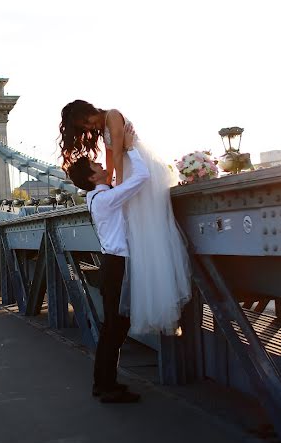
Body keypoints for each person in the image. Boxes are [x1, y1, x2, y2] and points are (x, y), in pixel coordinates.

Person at [59, 100, 191, 335]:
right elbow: (112, 160)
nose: (88, 127)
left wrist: (115, 186)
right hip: (132, 172)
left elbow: (119, 154)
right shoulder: (102, 128)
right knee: (141, 234)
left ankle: (162, 306)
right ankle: (157, 305)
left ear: (89, 111)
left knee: (148, 229)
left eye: (86, 121)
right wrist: (111, 186)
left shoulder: (112, 115)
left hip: (142, 171)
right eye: (84, 126)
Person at [66, 124, 144, 404]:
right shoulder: (106, 199)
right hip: (117, 266)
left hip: (112, 265)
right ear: (92, 175)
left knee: (114, 328)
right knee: (115, 328)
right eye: (96, 164)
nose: (101, 163)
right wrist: (132, 147)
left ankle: (105, 384)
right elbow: (143, 177)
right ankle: (105, 386)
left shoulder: (96, 197)